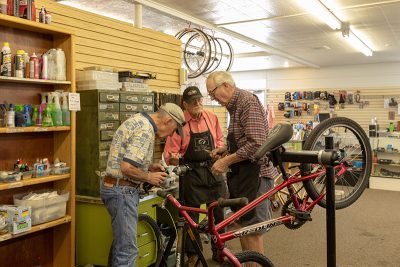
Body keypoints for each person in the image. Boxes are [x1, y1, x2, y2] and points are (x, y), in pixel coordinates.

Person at [101, 103, 185, 267]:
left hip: (116, 188)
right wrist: (148, 176)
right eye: (174, 130)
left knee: (123, 247)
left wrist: (148, 166)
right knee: (127, 251)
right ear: (168, 121)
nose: (170, 135)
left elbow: (125, 160)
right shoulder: (146, 131)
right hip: (123, 191)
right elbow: (126, 168)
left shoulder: (138, 120)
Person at [206, 71, 278, 261]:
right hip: (244, 175)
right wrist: (224, 150)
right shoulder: (234, 106)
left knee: (252, 230)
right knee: (244, 228)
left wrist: (226, 161)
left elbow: (256, 144)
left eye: (212, 93)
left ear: (226, 86)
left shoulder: (247, 102)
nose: (213, 98)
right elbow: (243, 140)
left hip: (257, 176)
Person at [163, 86, 228, 264]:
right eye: (193, 102)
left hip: (213, 169)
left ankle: (220, 250)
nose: (198, 104)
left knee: (219, 212)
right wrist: (174, 159)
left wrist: (220, 150)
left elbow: (221, 139)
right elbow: (170, 154)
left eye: (199, 100)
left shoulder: (211, 117)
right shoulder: (179, 123)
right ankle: (193, 254)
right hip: (191, 174)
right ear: (185, 104)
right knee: (191, 216)